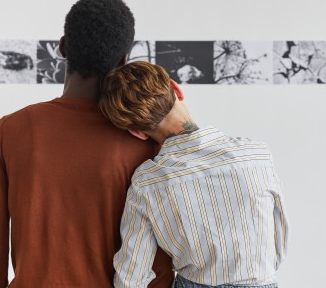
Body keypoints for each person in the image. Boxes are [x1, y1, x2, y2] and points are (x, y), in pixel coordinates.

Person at [0, 0, 174, 288]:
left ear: (62, 46)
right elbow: (160, 256)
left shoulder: (10, 130)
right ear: (123, 59)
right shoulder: (146, 141)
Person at [99, 61, 289, 288]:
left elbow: (131, 277)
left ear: (137, 133)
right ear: (176, 88)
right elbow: (279, 240)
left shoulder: (147, 182)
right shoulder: (256, 155)